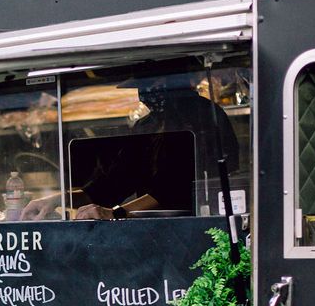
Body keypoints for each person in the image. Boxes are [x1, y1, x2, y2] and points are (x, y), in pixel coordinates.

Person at [21, 72, 239, 221]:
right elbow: (111, 184)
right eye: (141, 88)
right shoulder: (147, 126)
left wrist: (117, 213)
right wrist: (57, 199)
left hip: (197, 226)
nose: (144, 93)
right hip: (150, 230)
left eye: (151, 85)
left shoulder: (205, 116)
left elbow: (175, 188)